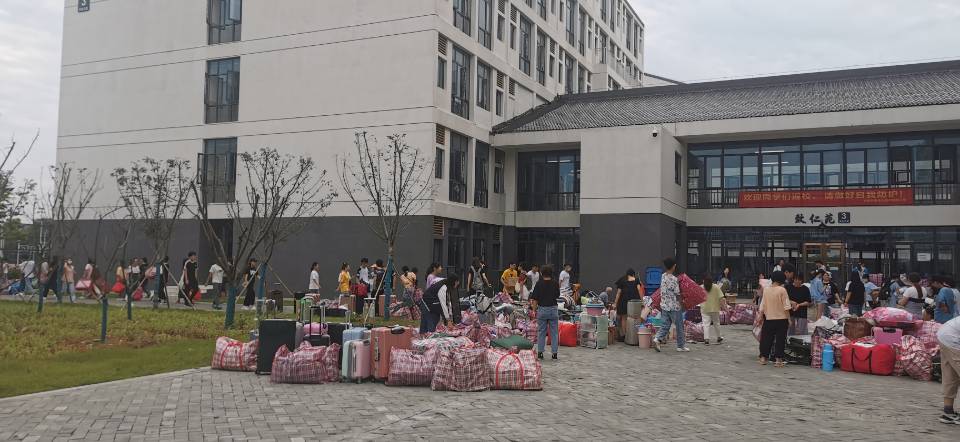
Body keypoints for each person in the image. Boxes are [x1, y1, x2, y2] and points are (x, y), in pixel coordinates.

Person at [758, 271, 792, 367]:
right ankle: (778, 360)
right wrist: (789, 319)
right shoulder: (782, 290)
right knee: (780, 340)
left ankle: (763, 358)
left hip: (769, 318)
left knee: (766, 339)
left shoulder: (766, 290)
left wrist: (760, 316)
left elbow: (763, 304)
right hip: (782, 319)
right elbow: (786, 306)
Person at [653, 257, 688, 352]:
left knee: (665, 325)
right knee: (679, 326)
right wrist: (682, 303)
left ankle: (657, 339)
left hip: (664, 305)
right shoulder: (674, 279)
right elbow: (677, 293)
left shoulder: (663, 276)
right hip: (674, 307)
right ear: (673, 266)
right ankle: (680, 346)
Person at [530, 265, 561, 360]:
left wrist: (534, 311)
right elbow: (557, 295)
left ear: (541, 273)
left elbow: (535, 299)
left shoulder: (539, 284)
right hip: (553, 309)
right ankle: (554, 353)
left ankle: (540, 353)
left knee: (541, 332)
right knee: (554, 332)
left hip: (542, 309)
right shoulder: (555, 283)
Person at [937, 316, 960, 424]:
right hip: (953, 338)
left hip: (944, 334)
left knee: (950, 375)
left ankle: (948, 413)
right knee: (950, 375)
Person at [613, 269, 643, 341]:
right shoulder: (636, 280)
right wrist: (642, 301)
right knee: (634, 318)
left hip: (623, 301)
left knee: (624, 318)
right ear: (633, 274)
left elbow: (618, 293)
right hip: (634, 303)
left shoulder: (622, 280)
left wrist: (615, 303)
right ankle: (633, 336)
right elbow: (639, 290)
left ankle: (625, 336)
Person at [701, 274, 726, 345]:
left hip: (705, 308)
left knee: (706, 324)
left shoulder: (701, 287)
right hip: (715, 308)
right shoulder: (716, 287)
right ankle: (719, 337)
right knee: (716, 323)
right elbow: (721, 298)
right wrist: (724, 307)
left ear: (703, 281)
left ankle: (706, 339)